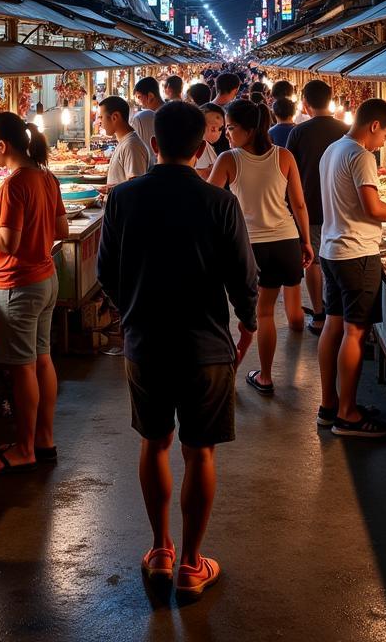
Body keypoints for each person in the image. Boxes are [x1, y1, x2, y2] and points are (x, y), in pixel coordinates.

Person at [97, 102, 258, 597]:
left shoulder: (123, 199)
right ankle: (191, 564)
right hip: (206, 346)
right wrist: (247, 326)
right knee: (200, 452)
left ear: (153, 145)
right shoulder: (219, 202)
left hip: (146, 344)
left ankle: (161, 549)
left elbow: (106, 272)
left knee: (154, 443)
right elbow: (244, 278)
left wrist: (134, 309)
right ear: (201, 147)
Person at [318, 99, 386, 439]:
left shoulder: (333, 149)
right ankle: (348, 415)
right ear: (375, 125)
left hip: (331, 250)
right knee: (355, 332)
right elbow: (372, 207)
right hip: (357, 253)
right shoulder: (362, 155)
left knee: (333, 326)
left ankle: (329, 406)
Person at [0, 112, 68, 474]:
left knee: (22, 369)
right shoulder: (46, 176)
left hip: (18, 284)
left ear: (3, 145)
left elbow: (8, 243)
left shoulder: (15, 185)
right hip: (46, 278)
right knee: (42, 360)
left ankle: (25, 448)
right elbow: (60, 227)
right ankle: (44, 439)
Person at [209, 100, 312, 394]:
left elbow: (210, 201)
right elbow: (299, 204)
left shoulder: (229, 160)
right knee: (265, 313)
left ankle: (235, 374)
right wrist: (305, 241)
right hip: (285, 241)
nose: (227, 134)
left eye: (231, 128)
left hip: (249, 246)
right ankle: (265, 376)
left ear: (250, 129)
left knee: (246, 314)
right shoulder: (284, 156)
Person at [286, 80, 349, 336]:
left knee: (312, 261)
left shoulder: (299, 133)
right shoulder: (347, 129)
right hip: (343, 208)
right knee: (339, 258)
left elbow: (289, 174)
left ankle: (320, 315)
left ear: (305, 103)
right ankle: (341, 315)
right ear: (330, 99)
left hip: (309, 205)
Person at [98, 95, 152, 189]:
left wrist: (110, 190)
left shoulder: (132, 146)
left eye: (101, 117)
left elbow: (135, 187)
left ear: (115, 117)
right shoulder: (125, 142)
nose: (100, 122)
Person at [209, 73, 241, 155]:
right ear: (235, 90)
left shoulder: (202, 109)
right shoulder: (234, 111)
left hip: (203, 160)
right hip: (227, 157)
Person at [132, 76, 163, 153]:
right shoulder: (149, 116)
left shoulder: (165, 114)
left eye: (139, 97)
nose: (139, 103)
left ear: (150, 96)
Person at [195, 102, 225, 179]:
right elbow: (203, 174)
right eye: (221, 128)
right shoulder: (201, 146)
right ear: (213, 129)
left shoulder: (196, 143)